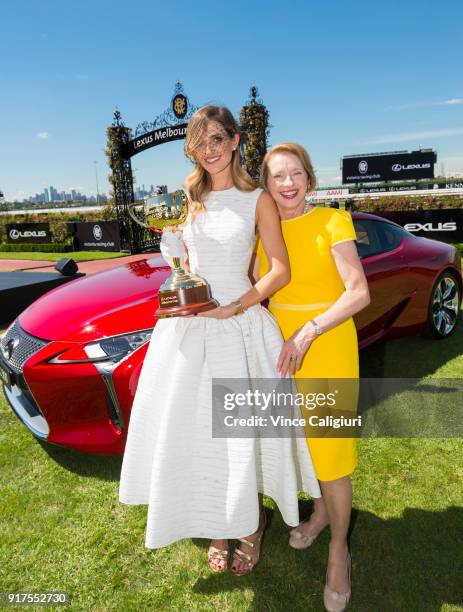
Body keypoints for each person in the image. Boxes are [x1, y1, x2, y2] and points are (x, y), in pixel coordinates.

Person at [119, 109, 320, 576]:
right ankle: (220, 525)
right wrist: (173, 251)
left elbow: (279, 270)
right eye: (198, 142)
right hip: (190, 329)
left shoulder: (257, 199)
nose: (208, 149)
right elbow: (186, 262)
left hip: (238, 327)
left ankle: (250, 526)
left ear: (234, 141)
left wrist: (237, 306)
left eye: (216, 138)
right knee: (202, 433)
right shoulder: (188, 197)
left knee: (239, 434)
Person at [253, 143, 370, 611]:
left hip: (326, 348)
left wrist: (308, 332)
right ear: (266, 185)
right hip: (276, 354)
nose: (287, 183)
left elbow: (358, 292)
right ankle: (320, 512)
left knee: (331, 456)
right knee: (298, 447)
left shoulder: (332, 222)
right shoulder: (264, 231)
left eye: (295, 173)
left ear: (310, 178)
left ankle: (339, 550)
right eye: (277, 176)